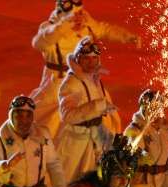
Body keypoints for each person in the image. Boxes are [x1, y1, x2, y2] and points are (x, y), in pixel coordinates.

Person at [30, 0, 140, 137]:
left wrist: (126, 37)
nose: (78, 18)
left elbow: (104, 29)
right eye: (73, 15)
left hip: (85, 79)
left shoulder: (86, 23)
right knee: (52, 122)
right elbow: (39, 42)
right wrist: (63, 27)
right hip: (58, 82)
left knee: (103, 114)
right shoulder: (50, 29)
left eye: (80, 13)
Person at [56, 37, 121, 184]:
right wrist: (97, 106)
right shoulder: (71, 83)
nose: (91, 62)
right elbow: (68, 115)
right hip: (76, 143)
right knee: (70, 185)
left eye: (94, 58)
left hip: (97, 138)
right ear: (78, 59)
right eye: (86, 59)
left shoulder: (93, 79)